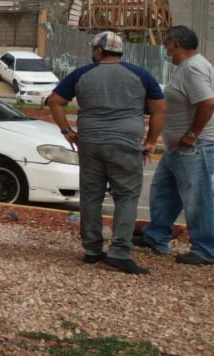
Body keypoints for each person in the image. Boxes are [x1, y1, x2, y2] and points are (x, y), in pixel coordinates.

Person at [48, 31, 165, 274]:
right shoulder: (141, 74)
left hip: (90, 142)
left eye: (94, 49)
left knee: (91, 195)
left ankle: (92, 249)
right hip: (125, 142)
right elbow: (160, 109)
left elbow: (55, 101)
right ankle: (120, 252)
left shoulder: (82, 73)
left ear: (99, 51)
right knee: (126, 196)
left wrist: (66, 130)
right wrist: (150, 141)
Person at [135, 25, 214, 266]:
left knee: (196, 197)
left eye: (167, 43)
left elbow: (208, 102)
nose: (164, 47)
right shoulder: (188, 67)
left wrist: (192, 134)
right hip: (178, 147)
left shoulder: (193, 68)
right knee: (164, 191)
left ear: (176, 44)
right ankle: (156, 235)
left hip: (193, 146)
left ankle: (205, 249)